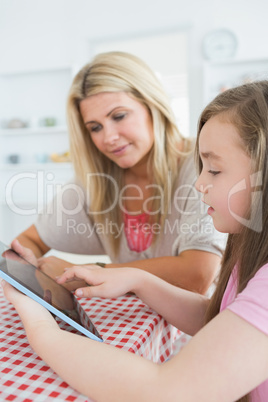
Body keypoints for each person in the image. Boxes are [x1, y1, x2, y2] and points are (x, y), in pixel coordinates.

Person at [4, 80, 268, 402]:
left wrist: (39, 322)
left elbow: (167, 391)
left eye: (213, 170)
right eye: (95, 127)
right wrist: (137, 279)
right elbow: (219, 319)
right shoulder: (248, 256)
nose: (199, 184)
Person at [12, 51, 225, 294]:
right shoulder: (96, 181)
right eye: (95, 127)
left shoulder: (202, 165)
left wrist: (88, 273)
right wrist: (27, 261)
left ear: (152, 104)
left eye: (119, 116)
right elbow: (30, 241)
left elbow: (196, 275)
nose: (108, 137)